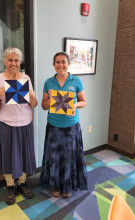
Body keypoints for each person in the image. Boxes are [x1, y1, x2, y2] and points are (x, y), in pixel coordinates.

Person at [0, 48, 38, 205]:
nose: (13, 63)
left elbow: (33, 105)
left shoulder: (26, 78)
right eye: (10, 60)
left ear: (20, 62)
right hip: (6, 123)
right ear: (5, 61)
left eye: (16, 60)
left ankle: (22, 183)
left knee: (24, 154)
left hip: (25, 123)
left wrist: (33, 97)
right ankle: (10, 186)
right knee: (9, 155)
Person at [40, 51, 88, 198]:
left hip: (71, 126)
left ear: (68, 64)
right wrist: (51, 98)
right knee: (54, 157)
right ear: (54, 65)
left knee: (69, 157)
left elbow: (83, 102)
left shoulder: (76, 81)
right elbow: (43, 105)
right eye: (57, 62)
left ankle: (67, 186)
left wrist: (75, 106)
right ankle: (55, 185)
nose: (60, 65)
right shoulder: (49, 82)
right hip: (54, 126)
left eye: (63, 62)